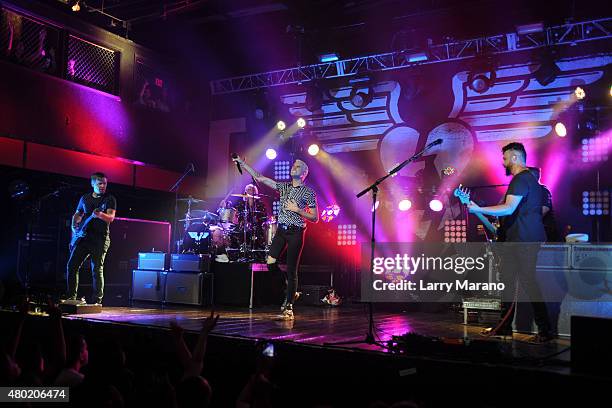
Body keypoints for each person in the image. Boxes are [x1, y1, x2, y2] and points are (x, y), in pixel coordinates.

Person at [468, 142, 553, 343]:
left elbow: (508, 208)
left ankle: (545, 331)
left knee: (528, 284)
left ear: (515, 157)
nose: (503, 162)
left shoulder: (521, 179)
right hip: (518, 240)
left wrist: (478, 210)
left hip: (523, 241)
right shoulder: (528, 180)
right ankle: (504, 327)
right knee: (507, 285)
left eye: (505, 158)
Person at [232, 156, 318, 320]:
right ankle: (289, 289)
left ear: (304, 173)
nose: (294, 167)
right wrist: (243, 164)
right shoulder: (284, 187)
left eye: (298, 166)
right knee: (270, 262)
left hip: (296, 232)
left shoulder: (308, 192)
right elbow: (259, 177)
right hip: (281, 231)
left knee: (292, 270)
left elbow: (315, 217)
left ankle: (289, 306)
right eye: (293, 165)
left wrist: (298, 210)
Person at [65, 172, 116, 305]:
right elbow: (78, 213)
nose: (103, 186)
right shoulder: (85, 198)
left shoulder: (109, 199)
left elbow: (111, 218)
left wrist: (99, 215)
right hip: (83, 237)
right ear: (93, 184)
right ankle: (71, 297)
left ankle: (97, 300)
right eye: (100, 183)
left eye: (105, 183)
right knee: (72, 266)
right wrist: (73, 227)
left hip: (100, 239)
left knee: (96, 268)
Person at [527, 166, 561, 242]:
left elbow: (544, 210)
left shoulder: (543, 191)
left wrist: (526, 222)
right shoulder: (527, 192)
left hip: (546, 231)